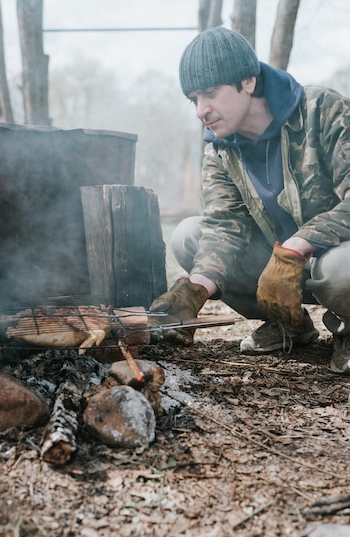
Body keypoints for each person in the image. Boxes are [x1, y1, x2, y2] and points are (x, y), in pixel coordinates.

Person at [150, 26, 350, 374]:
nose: (201, 110)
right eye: (193, 99)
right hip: (278, 271)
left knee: (339, 270)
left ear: (248, 82)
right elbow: (223, 228)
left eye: (210, 93)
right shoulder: (219, 150)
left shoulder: (324, 110)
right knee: (189, 236)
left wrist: (298, 244)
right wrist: (195, 292)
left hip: (332, 259)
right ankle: (288, 324)